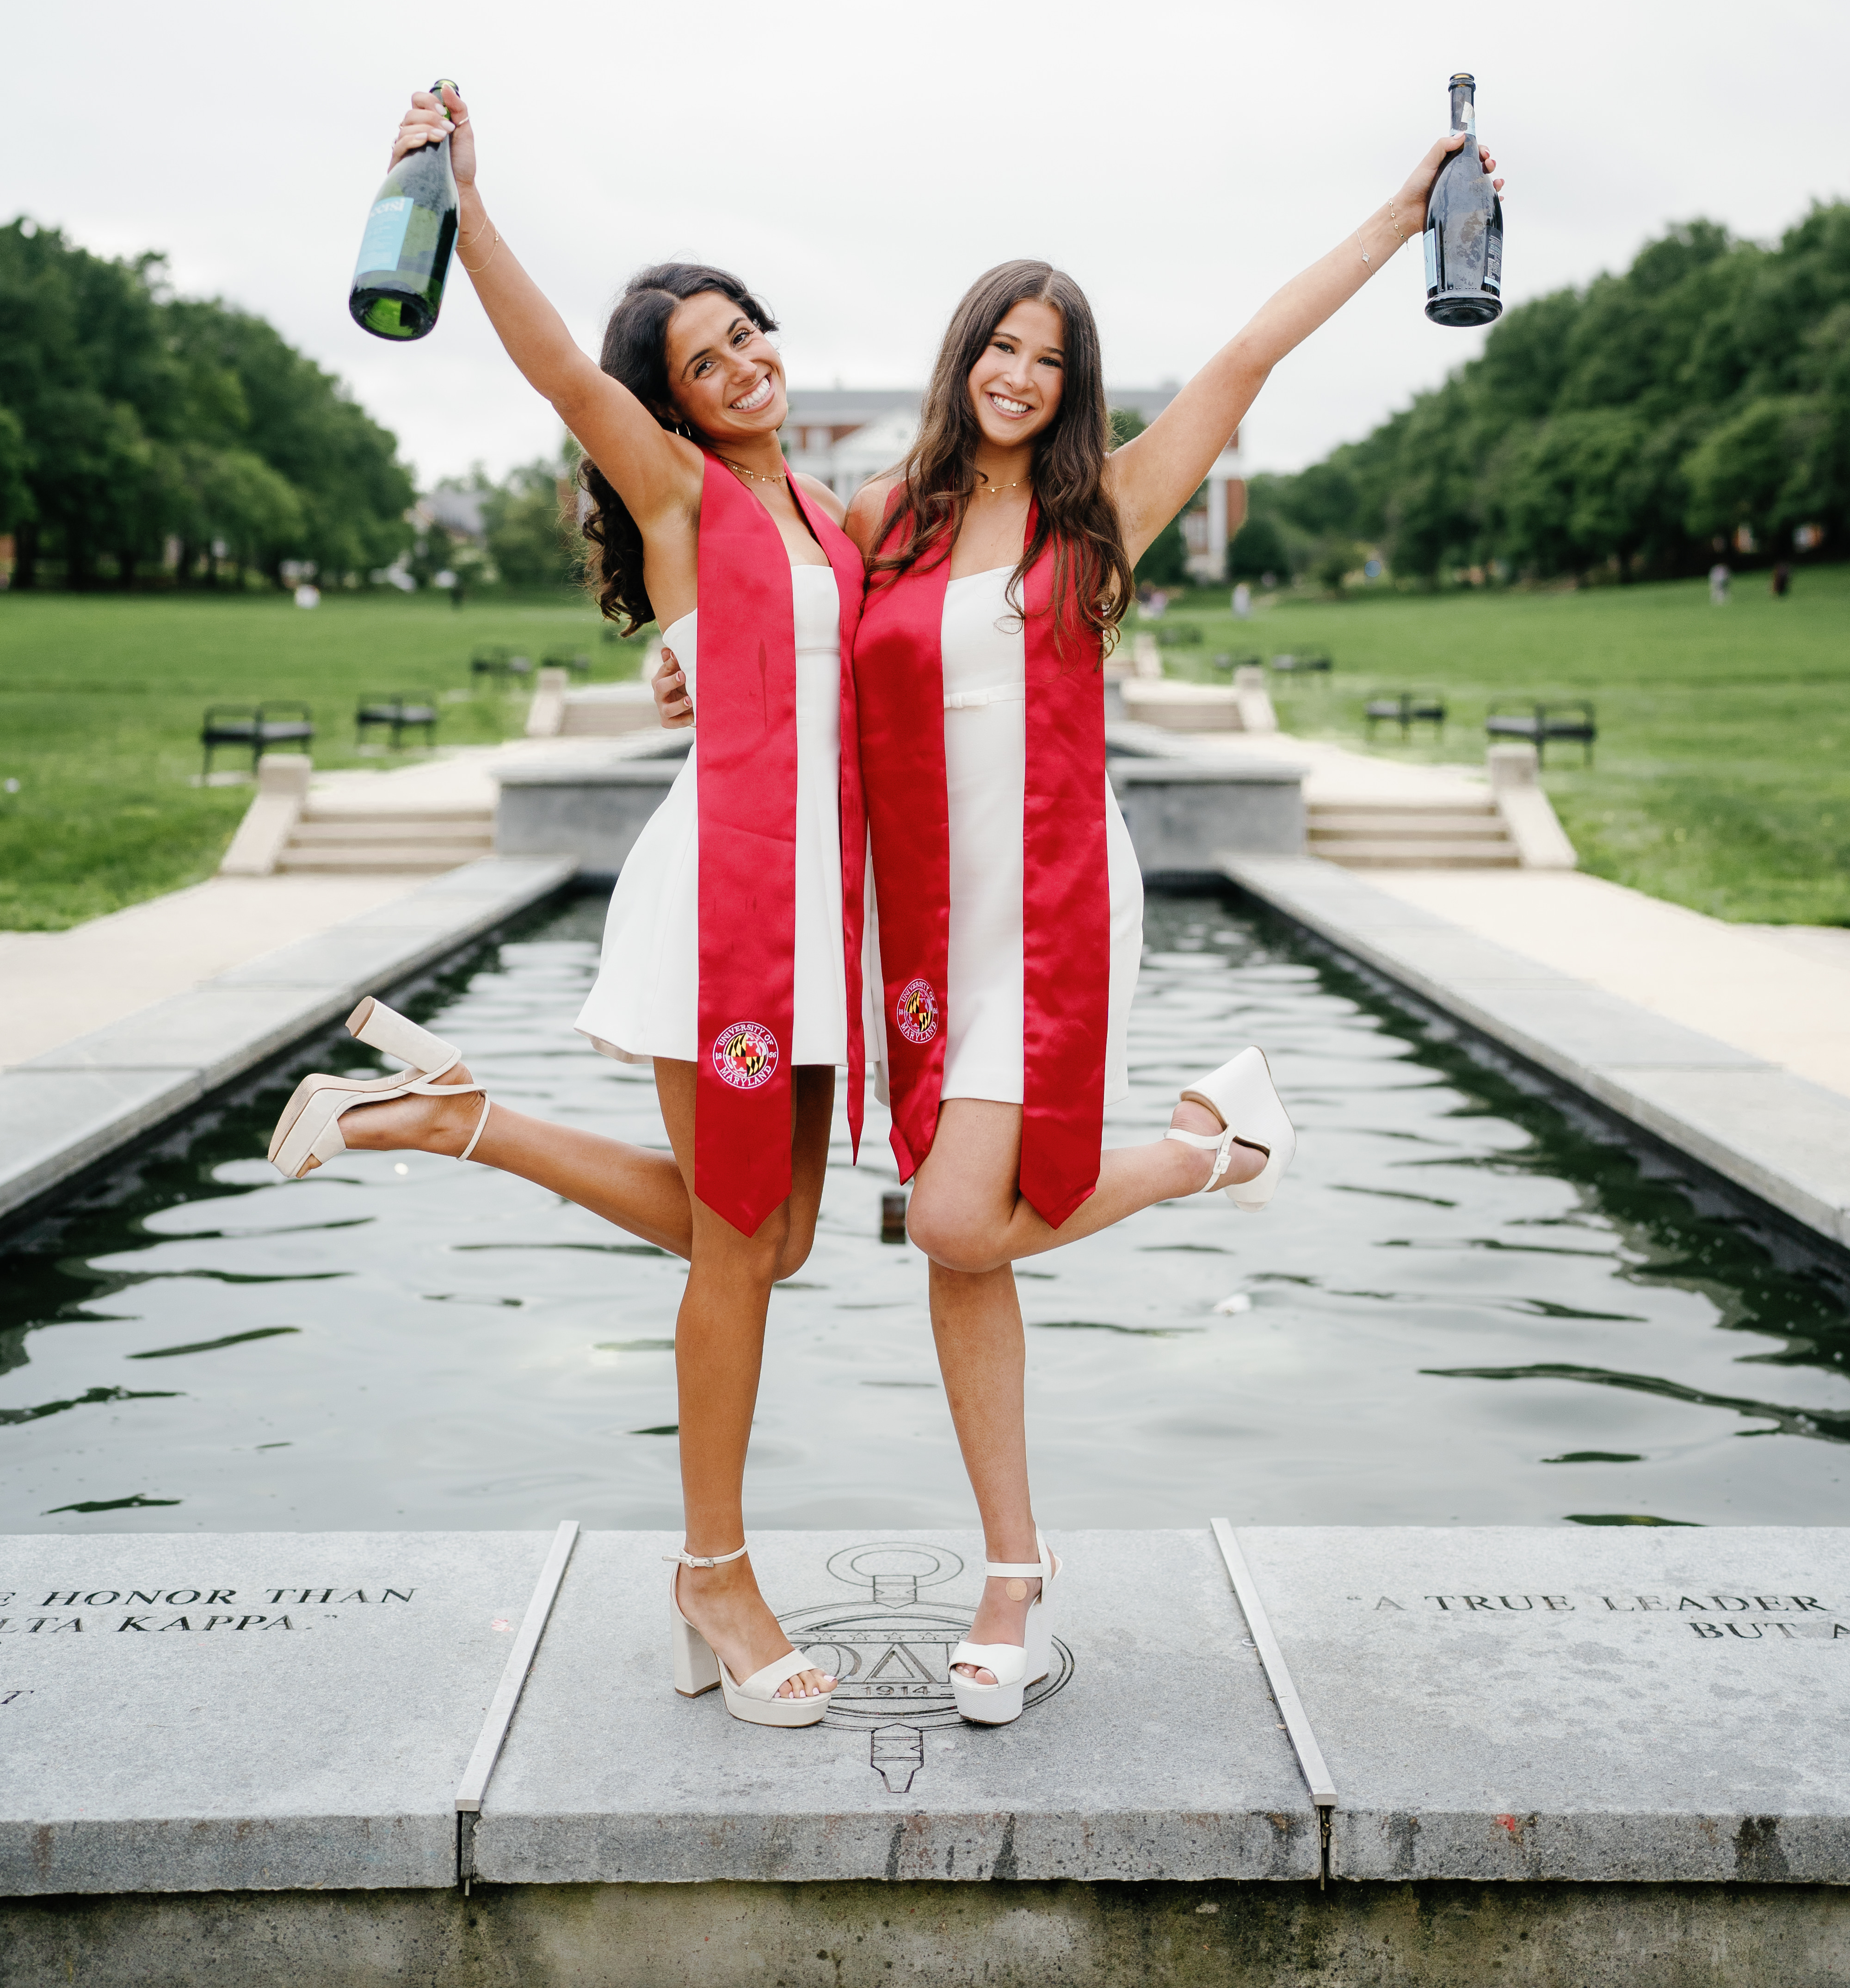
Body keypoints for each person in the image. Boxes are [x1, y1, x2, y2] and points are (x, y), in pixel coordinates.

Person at [841, 121, 1501, 1725]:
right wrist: (686, 665)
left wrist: (1401, 217)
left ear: (1075, 386)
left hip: (1060, 900)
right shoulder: (884, 518)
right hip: (929, 923)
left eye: (1048, 359)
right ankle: (1013, 1572)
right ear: (962, 358)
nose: (1017, 376)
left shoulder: (1106, 516)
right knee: (961, 1248)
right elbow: (789, 638)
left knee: (947, 1222)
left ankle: (1216, 1149)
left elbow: (1249, 358)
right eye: (999, 346)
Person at [267, 83, 865, 1729]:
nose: (742, 365)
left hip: (817, 921)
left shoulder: (825, 507)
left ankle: (459, 1116)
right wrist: (463, 200)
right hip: (731, 907)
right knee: (737, 1253)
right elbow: (545, 363)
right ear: (664, 403)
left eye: (750, 335)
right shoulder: (685, 495)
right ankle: (715, 1575)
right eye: (704, 361)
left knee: (781, 1238)